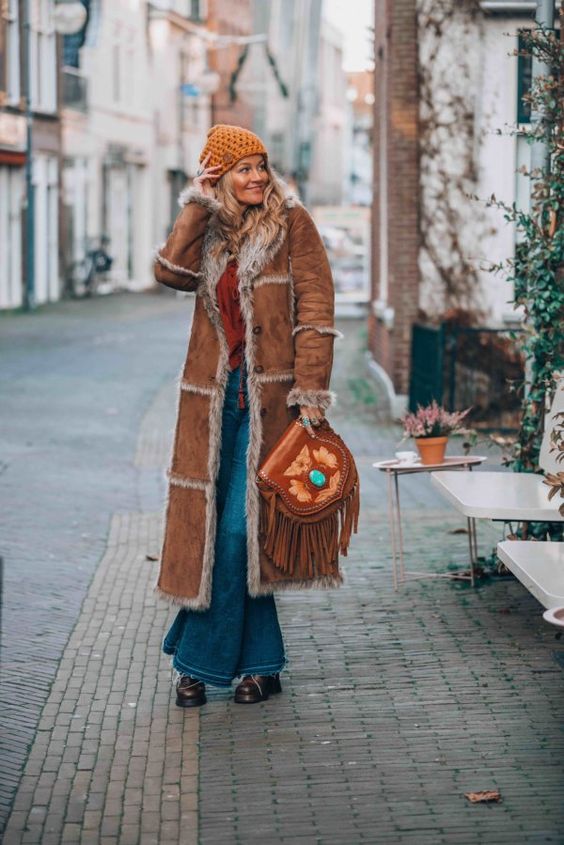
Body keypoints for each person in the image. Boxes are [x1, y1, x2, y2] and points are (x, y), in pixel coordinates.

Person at [153, 124, 343, 706]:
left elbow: (316, 306)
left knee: (239, 533)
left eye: (261, 164)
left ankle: (195, 664)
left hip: (272, 404)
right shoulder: (208, 225)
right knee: (214, 533)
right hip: (212, 404)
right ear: (220, 176)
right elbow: (170, 274)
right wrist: (195, 202)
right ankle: (262, 663)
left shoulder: (293, 223)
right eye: (242, 168)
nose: (257, 176)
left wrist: (311, 391)